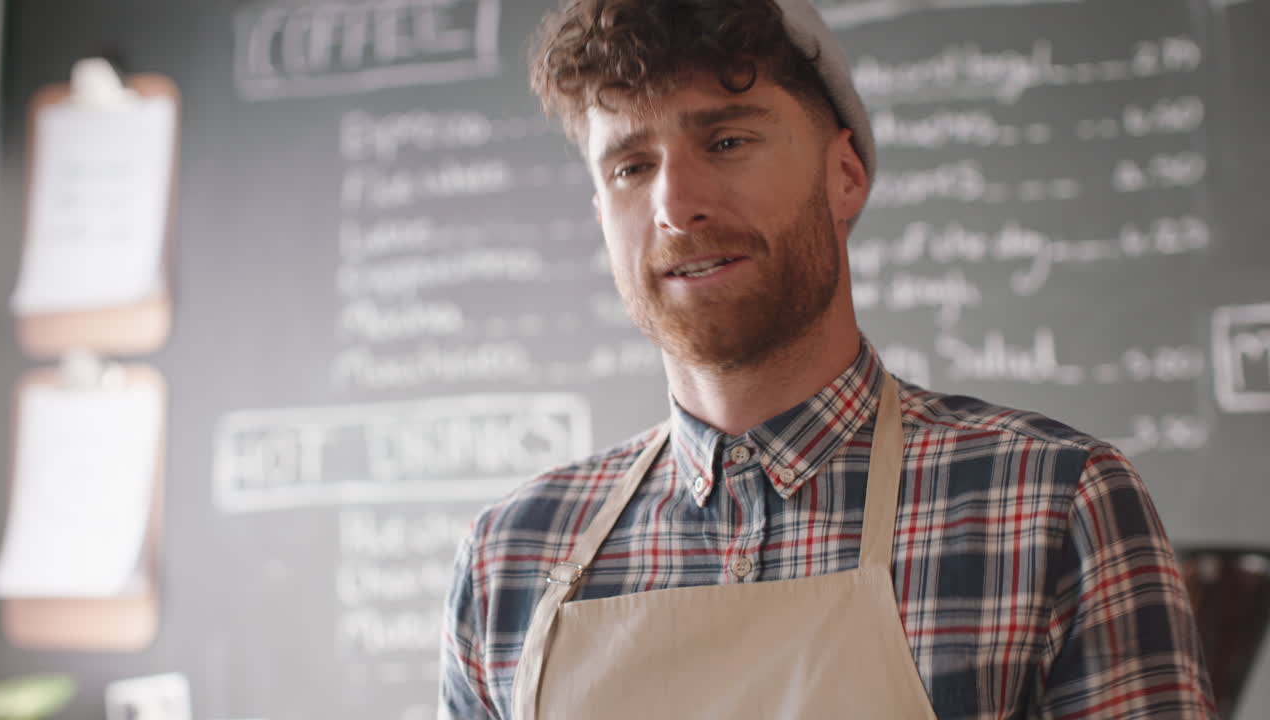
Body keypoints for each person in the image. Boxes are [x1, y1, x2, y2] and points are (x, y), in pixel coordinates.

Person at [438, 0, 1217, 717]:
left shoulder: (1054, 506)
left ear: (845, 174)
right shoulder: (510, 558)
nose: (676, 205)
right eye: (630, 167)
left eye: (727, 140)